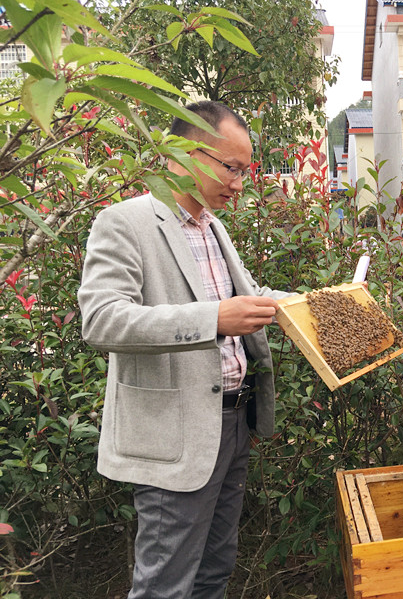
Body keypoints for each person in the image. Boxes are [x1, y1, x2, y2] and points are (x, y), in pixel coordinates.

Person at [78, 101, 292, 598]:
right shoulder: (124, 222)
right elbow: (103, 320)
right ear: (187, 151)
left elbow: (248, 298)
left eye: (244, 170)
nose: (239, 183)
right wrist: (214, 319)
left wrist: (308, 303)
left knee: (214, 571)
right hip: (176, 437)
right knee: (165, 585)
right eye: (231, 167)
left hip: (234, 425)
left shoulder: (212, 226)